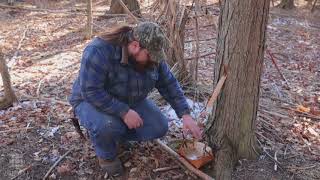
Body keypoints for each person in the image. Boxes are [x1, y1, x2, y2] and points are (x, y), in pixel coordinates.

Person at [69, 21, 202, 176]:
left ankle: (117, 136)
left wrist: (185, 114)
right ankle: (107, 155)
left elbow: (168, 83)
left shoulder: (152, 58)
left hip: (129, 99)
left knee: (159, 126)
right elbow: (90, 91)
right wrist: (124, 112)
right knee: (108, 126)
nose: (154, 61)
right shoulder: (99, 51)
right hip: (90, 101)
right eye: (150, 56)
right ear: (135, 46)